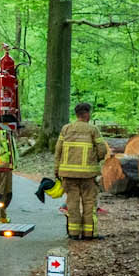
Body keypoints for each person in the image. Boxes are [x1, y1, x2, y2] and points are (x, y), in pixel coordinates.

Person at [54, 102, 103, 239]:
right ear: (86, 114)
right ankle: (89, 234)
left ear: (77, 114)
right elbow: (102, 150)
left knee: (72, 204)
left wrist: (56, 170)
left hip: (68, 175)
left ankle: (74, 233)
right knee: (89, 204)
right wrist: (95, 160)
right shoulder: (93, 130)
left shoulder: (66, 129)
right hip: (88, 175)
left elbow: (58, 151)